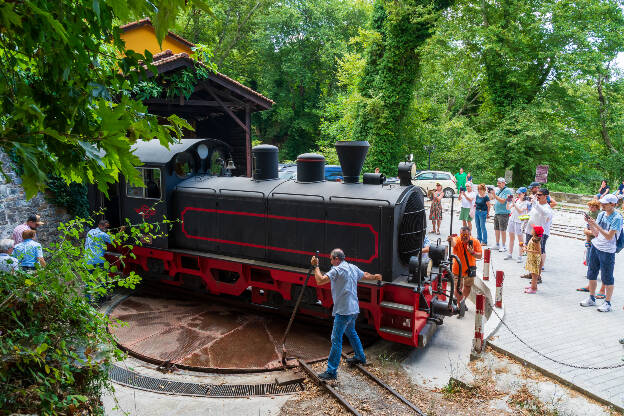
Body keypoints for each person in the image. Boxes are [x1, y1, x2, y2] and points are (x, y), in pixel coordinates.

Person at [311, 249, 382, 380]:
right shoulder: (352, 267)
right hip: (354, 309)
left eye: (331, 259)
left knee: (336, 339)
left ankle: (331, 372)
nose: (330, 261)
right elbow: (365, 275)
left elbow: (320, 281)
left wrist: (316, 267)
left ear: (337, 259)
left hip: (343, 311)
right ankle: (360, 357)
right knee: (351, 332)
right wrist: (375, 276)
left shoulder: (337, 270)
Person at [580, 194, 623, 312]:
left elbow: (609, 236)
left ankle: (607, 303)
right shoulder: (601, 214)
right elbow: (597, 234)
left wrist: (596, 225)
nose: (602, 205)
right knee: (592, 273)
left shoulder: (617, 218)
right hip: (596, 246)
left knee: (607, 277)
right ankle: (591, 298)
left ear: (613, 205)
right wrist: (590, 224)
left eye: (605, 203)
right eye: (602, 203)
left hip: (608, 251)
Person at [447, 226, 482, 317]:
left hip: (469, 269)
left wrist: (472, 253)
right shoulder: (458, 240)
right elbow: (454, 243)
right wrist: (450, 240)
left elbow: (480, 256)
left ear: (470, 234)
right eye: (462, 235)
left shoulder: (475, 242)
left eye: (466, 235)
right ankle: (460, 306)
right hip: (457, 269)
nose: (464, 237)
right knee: (458, 288)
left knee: (467, 287)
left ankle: (461, 301)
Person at [521, 188, 554, 281]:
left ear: (545, 196)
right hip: (530, 231)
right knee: (529, 252)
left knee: (538, 253)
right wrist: (523, 219)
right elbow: (531, 215)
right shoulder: (536, 205)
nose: (537, 196)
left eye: (539, 195)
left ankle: (538, 276)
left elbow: (543, 213)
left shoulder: (547, 208)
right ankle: (531, 273)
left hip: (540, 233)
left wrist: (534, 203)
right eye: (537, 195)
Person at [577, 200, 605, 297]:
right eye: (590, 206)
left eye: (593, 207)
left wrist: (587, 231)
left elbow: (598, 232)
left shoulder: (602, 215)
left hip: (601, 244)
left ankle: (602, 291)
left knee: (604, 267)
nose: (591, 209)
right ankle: (590, 286)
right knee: (591, 264)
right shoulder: (592, 214)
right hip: (592, 241)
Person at [489, 178, 513, 252]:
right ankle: (497, 244)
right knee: (496, 229)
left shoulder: (507, 191)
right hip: (497, 212)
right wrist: (490, 193)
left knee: (503, 229)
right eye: (497, 183)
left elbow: (503, 201)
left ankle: (503, 245)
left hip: (504, 213)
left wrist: (494, 195)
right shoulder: (499, 190)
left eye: (499, 183)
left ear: (503, 183)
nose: (497, 184)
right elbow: (492, 198)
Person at [505, 187, 528, 262]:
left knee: (520, 239)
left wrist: (514, 203)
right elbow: (508, 208)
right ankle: (509, 254)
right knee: (511, 237)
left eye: (520, 193)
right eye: (518, 193)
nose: (518, 195)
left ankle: (520, 256)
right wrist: (508, 200)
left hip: (519, 221)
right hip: (512, 219)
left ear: (524, 194)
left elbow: (521, 211)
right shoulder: (517, 200)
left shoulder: (526, 202)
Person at [523, 226, 543, 294]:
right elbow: (531, 247)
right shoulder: (532, 238)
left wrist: (527, 250)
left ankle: (533, 289)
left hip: (535, 259)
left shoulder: (536, 240)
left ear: (535, 232)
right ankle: (533, 286)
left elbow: (538, 251)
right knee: (532, 273)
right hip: (531, 258)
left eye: (533, 229)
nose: (531, 230)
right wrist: (525, 247)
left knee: (534, 275)